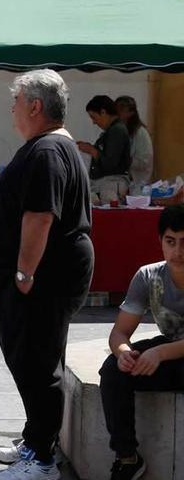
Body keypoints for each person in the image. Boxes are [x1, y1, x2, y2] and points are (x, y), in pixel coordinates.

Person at [0, 69, 93, 480]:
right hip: (40, 277)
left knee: (38, 364)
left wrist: (23, 273)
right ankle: (36, 438)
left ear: (35, 106)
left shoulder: (47, 152)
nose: (13, 110)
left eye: (16, 102)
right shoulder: (49, 147)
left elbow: (39, 217)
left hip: (41, 279)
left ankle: (41, 459)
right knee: (33, 359)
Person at [98, 203, 184, 480]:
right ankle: (127, 457)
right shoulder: (148, 276)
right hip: (172, 355)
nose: (178, 252)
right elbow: (119, 333)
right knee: (113, 369)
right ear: (160, 242)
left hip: (171, 353)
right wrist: (124, 353)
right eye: (171, 242)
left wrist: (159, 353)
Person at [76, 95, 132, 191]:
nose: (94, 122)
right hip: (105, 183)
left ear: (103, 112)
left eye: (94, 117)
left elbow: (110, 163)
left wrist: (91, 150)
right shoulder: (111, 131)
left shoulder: (117, 130)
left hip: (112, 183)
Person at [115, 96, 153, 189]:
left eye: (121, 110)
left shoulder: (140, 133)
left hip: (137, 183)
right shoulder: (118, 129)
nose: (117, 113)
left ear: (130, 113)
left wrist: (124, 159)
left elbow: (145, 162)